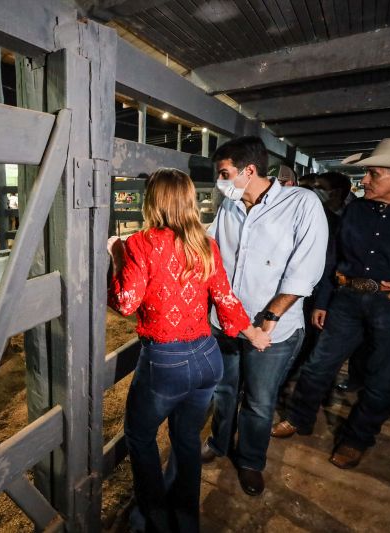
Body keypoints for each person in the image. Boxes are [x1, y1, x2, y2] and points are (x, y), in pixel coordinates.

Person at [107, 168, 270, 533]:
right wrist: (252, 333)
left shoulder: (140, 243)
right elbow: (226, 299)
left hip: (166, 361)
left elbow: (125, 302)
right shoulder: (204, 244)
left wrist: (117, 256)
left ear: (153, 200)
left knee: (139, 435)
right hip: (208, 357)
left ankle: (154, 517)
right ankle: (185, 519)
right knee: (185, 439)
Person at [272, 138, 390, 469]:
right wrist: (324, 299)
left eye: (373, 174)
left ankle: (356, 438)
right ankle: (299, 417)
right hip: (347, 300)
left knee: (382, 380)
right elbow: (334, 258)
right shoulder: (357, 209)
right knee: (319, 365)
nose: (363, 181)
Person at [202, 136, 328, 497]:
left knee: (258, 400)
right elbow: (208, 247)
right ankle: (219, 442)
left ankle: (251, 461)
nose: (220, 181)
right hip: (225, 324)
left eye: (224, 173)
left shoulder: (301, 204)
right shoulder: (229, 207)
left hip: (271, 330)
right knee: (225, 390)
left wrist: (269, 318)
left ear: (249, 171)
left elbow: (306, 270)